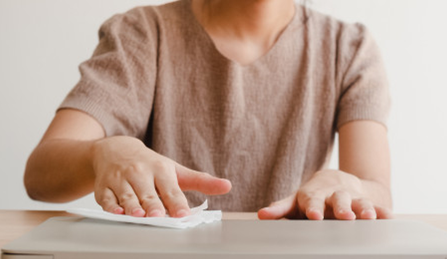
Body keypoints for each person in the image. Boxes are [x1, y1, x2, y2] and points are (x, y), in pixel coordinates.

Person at [24, 0, 393, 221]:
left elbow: (377, 191)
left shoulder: (349, 48)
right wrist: (101, 154)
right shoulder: (143, 34)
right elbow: (40, 175)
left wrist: (349, 187)